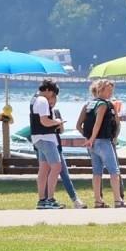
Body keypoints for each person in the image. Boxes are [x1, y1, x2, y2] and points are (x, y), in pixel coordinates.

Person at [81, 79, 126, 208]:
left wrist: (88, 138)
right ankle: (118, 200)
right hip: (103, 142)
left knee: (97, 173)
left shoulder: (88, 105)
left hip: (92, 145)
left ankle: (98, 201)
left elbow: (78, 125)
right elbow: (98, 124)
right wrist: (93, 137)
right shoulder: (105, 105)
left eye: (112, 91)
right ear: (100, 90)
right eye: (109, 90)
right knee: (114, 172)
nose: (111, 93)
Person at [30, 79, 64, 209]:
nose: (53, 98)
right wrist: (57, 122)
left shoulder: (34, 99)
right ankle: (50, 199)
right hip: (46, 138)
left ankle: (42, 200)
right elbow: (44, 121)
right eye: (53, 94)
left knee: (44, 169)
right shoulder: (43, 100)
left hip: (38, 138)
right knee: (56, 167)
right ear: (48, 90)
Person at [48, 94, 87, 209]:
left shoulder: (56, 111)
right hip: (48, 145)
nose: (52, 101)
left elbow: (61, 130)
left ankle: (75, 200)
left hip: (57, 144)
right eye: (50, 98)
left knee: (64, 173)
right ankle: (47, 199)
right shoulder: (43, 112)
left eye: (54, 99)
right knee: (47, 173)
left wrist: (59, 124)